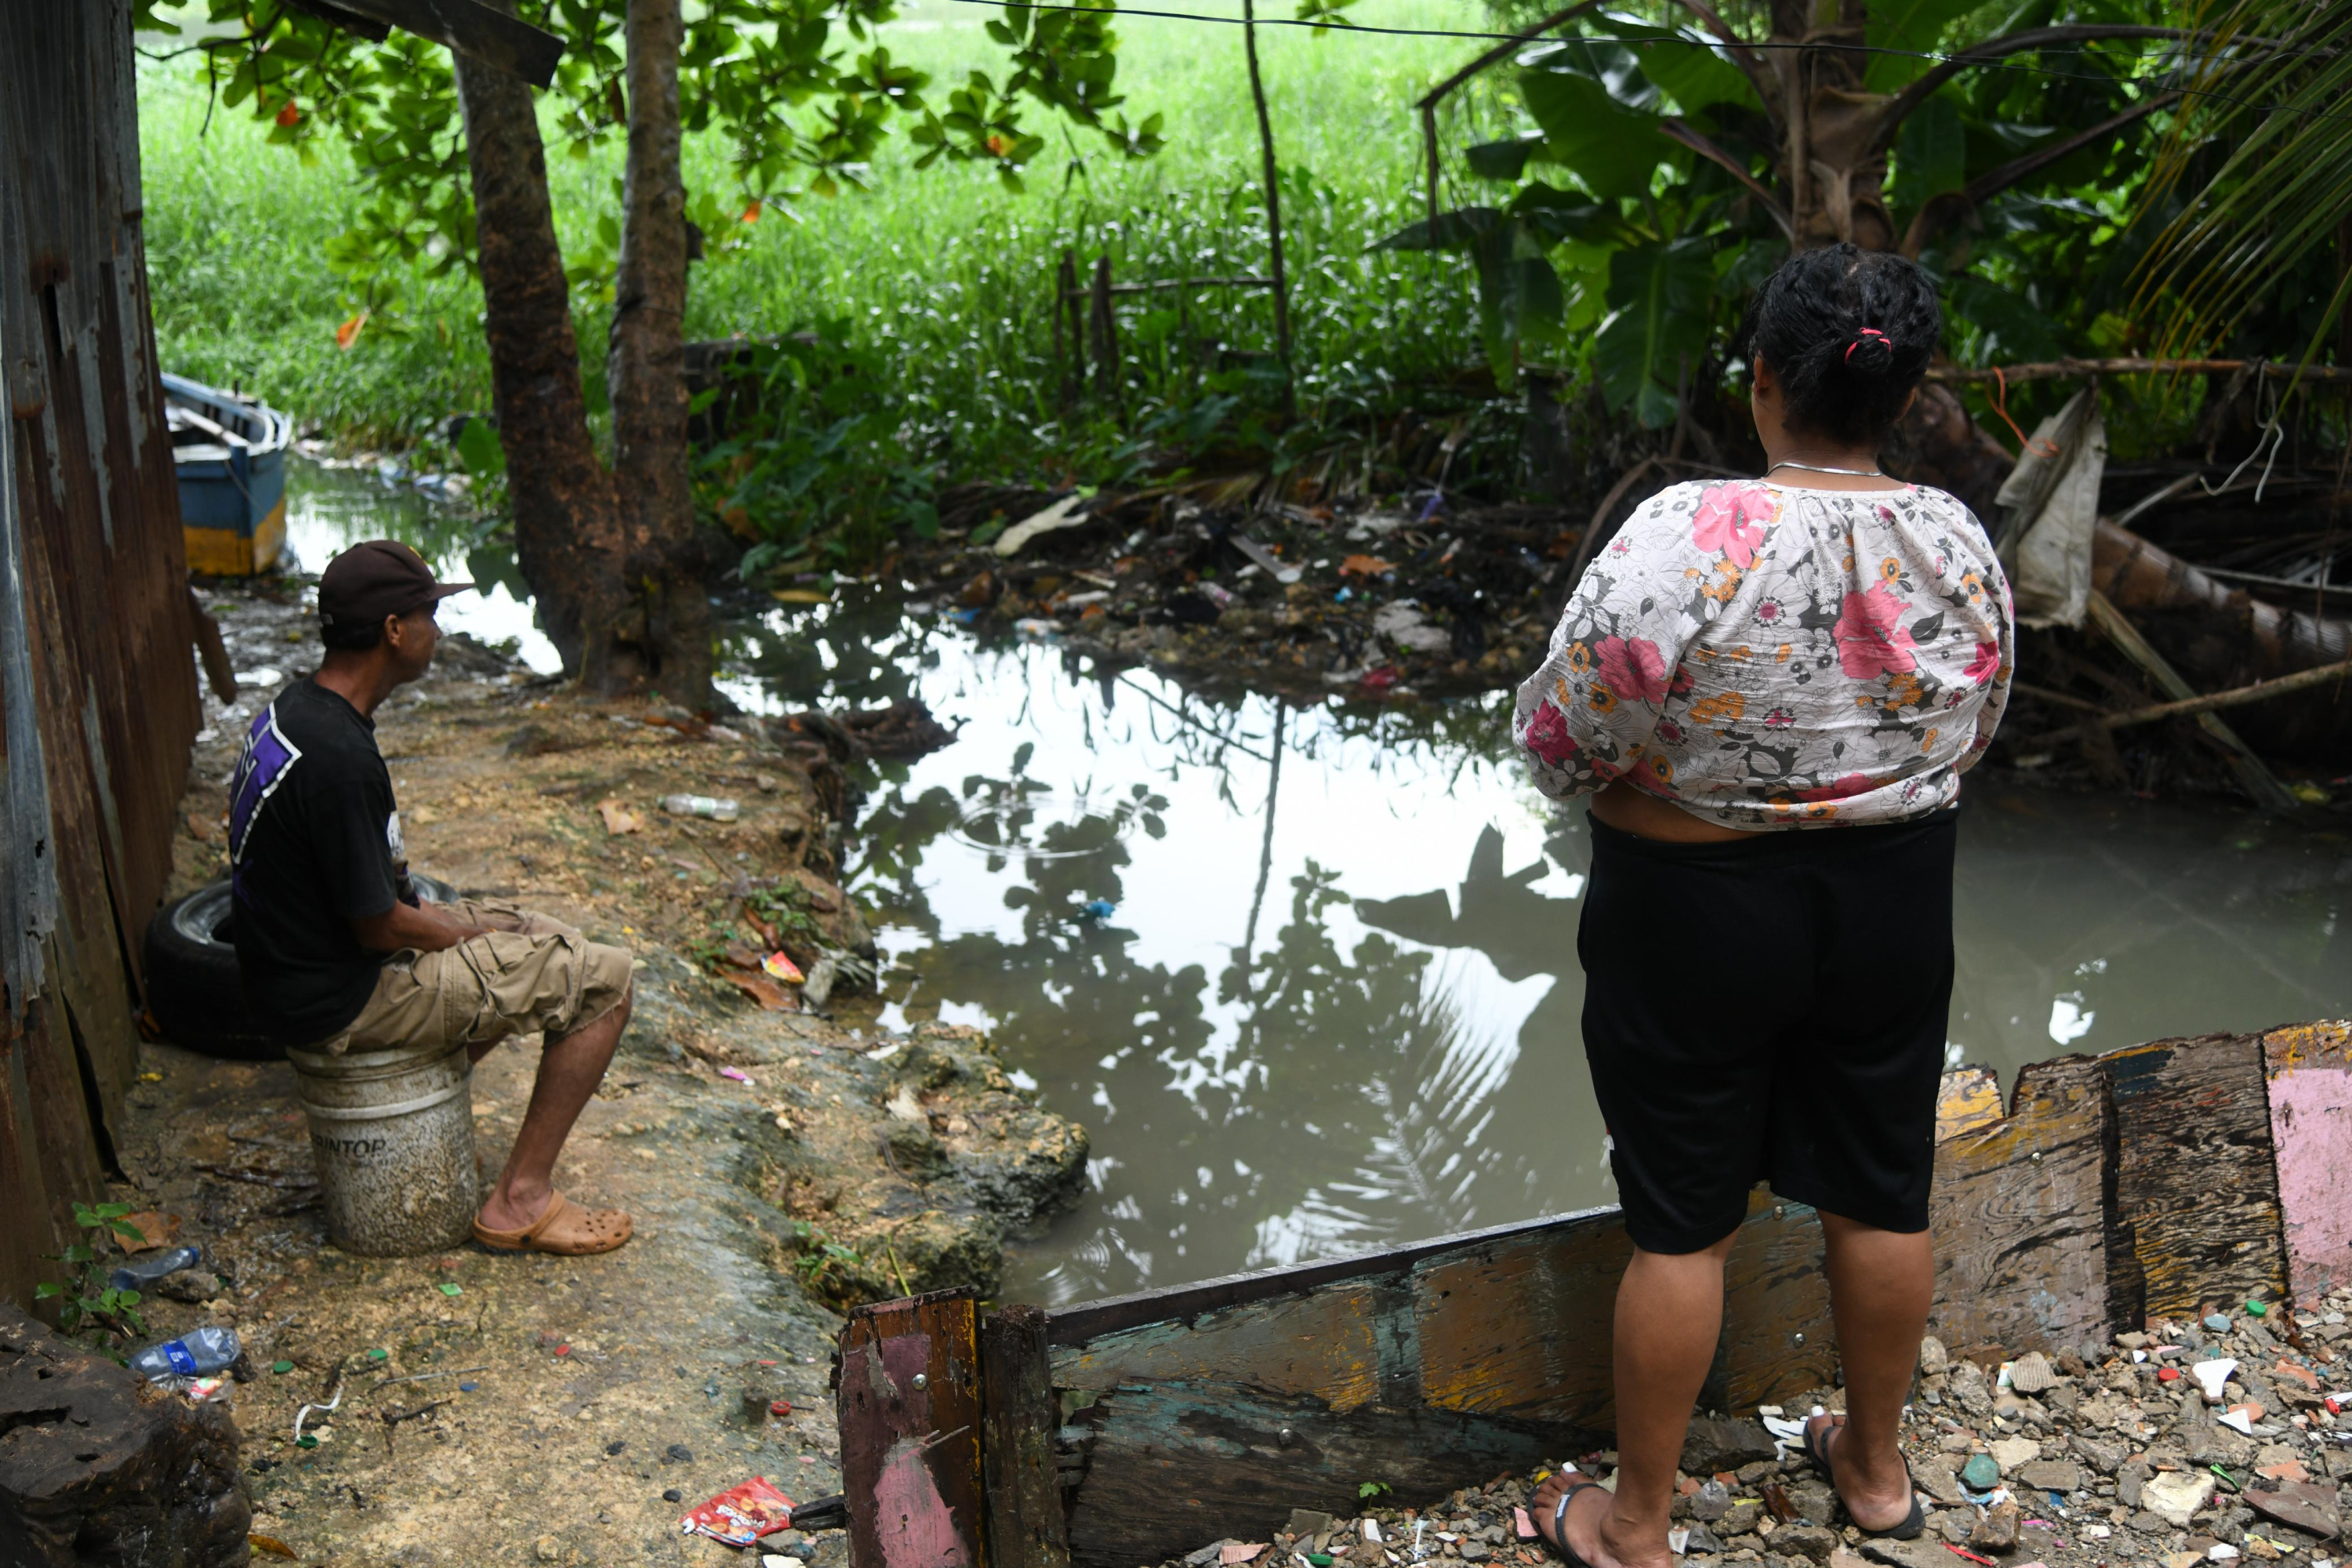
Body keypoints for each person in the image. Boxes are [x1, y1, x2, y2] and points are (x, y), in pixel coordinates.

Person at [1511, 244, 2013, 1568]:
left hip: (1690, 908)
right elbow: (1974, 723)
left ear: (1761, 383)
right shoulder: (1956, 535)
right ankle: (1878, 1469)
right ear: (1902, 395)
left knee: (1682, 1220)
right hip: (1895, 897)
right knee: (1880, 1189)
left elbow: (1570, 730)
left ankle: (1636, 1524)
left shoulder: (1694, 529)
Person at [229, 539, 637, 1257]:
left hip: (297, 972)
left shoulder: (297, 708)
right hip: (339, 1000)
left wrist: (494, 934)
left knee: (541, 929)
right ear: (394, 631)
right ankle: (521, 1200)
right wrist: (470, 943)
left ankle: (436, 1071)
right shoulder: (339, 760)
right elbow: (379, 926)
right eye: (430, 615)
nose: (439, 632)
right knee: (605, 981)